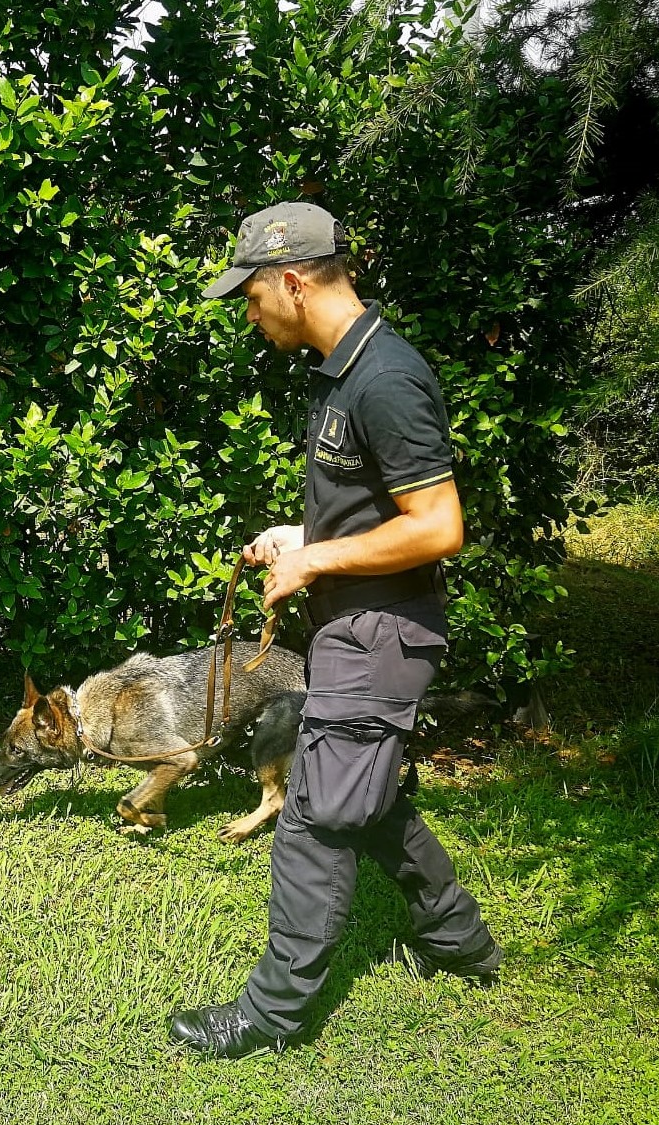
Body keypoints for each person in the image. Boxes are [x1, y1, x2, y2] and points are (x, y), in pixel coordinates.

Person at [169, 201, 502, 1059]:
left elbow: (436, 526)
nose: (248, 313)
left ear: (290, 279)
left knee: (315, 816)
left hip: (381, 635)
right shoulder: (341, 371)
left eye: (249, 296)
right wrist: (306, 542)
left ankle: (271, 1016)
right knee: (368, 796)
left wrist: (316, 563)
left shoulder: (384, 378)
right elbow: (374, 516)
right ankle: (458, 941)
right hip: (355, 625)